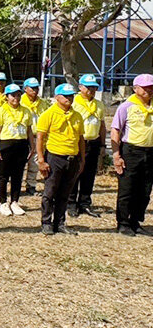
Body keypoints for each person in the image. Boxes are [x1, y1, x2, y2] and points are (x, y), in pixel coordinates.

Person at [36, 83, 85, 235]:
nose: (69, 98)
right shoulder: (48, 114)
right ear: (57, 97)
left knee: (65, 193)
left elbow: (81, 139)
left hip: (72, 158)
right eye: (66, 95)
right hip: (55, 157)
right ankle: (46, 222)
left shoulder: (77, 116)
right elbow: (40, 137)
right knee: (50, 192)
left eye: (71, 95)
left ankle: (60, 223)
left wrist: (82, 159)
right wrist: (41, 160)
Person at [110, 74, 153, 236]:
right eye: (145, 87)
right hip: (131, 151)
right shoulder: (126, 107)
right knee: (127, 189)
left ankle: (136, 221)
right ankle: (123, 222)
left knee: (145, 189)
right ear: (135, 89)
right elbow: (115, 131)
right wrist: (116, 156)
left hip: (150, 152)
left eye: (151, 87)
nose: (149, 90)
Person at [0, 84, 34, 217]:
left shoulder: (26, 111)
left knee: (18, 175)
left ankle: (15, 201)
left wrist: (32, 146)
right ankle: (3, 202)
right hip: (6, 145)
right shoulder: (1, 111)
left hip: (21, 145)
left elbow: (29, 130)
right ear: (6, 97)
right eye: (13, 95)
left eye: (18, 95)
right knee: (3, 175)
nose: (16, 98)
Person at [69, 74, 105, 218]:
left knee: (89, 175)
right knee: (74, 173)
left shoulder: (99, 104)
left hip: (93, 142)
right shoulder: (74, 102)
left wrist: (102, 144)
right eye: (88, 87)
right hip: (78, 143)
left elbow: (102, 125)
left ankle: (84, 203)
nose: (91, 90)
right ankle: (71, 203)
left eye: (94, 87)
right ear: (80, 87)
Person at [20, 77, 49, 195]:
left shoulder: (43, 103)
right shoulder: (20, 101)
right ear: (25, 89)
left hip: (37, 136)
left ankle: (31, 185)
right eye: (32, 88)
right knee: (20, 163)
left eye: (36, 88)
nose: (35, 90)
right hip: (23, 137)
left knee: (34, 162)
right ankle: (16, 186)